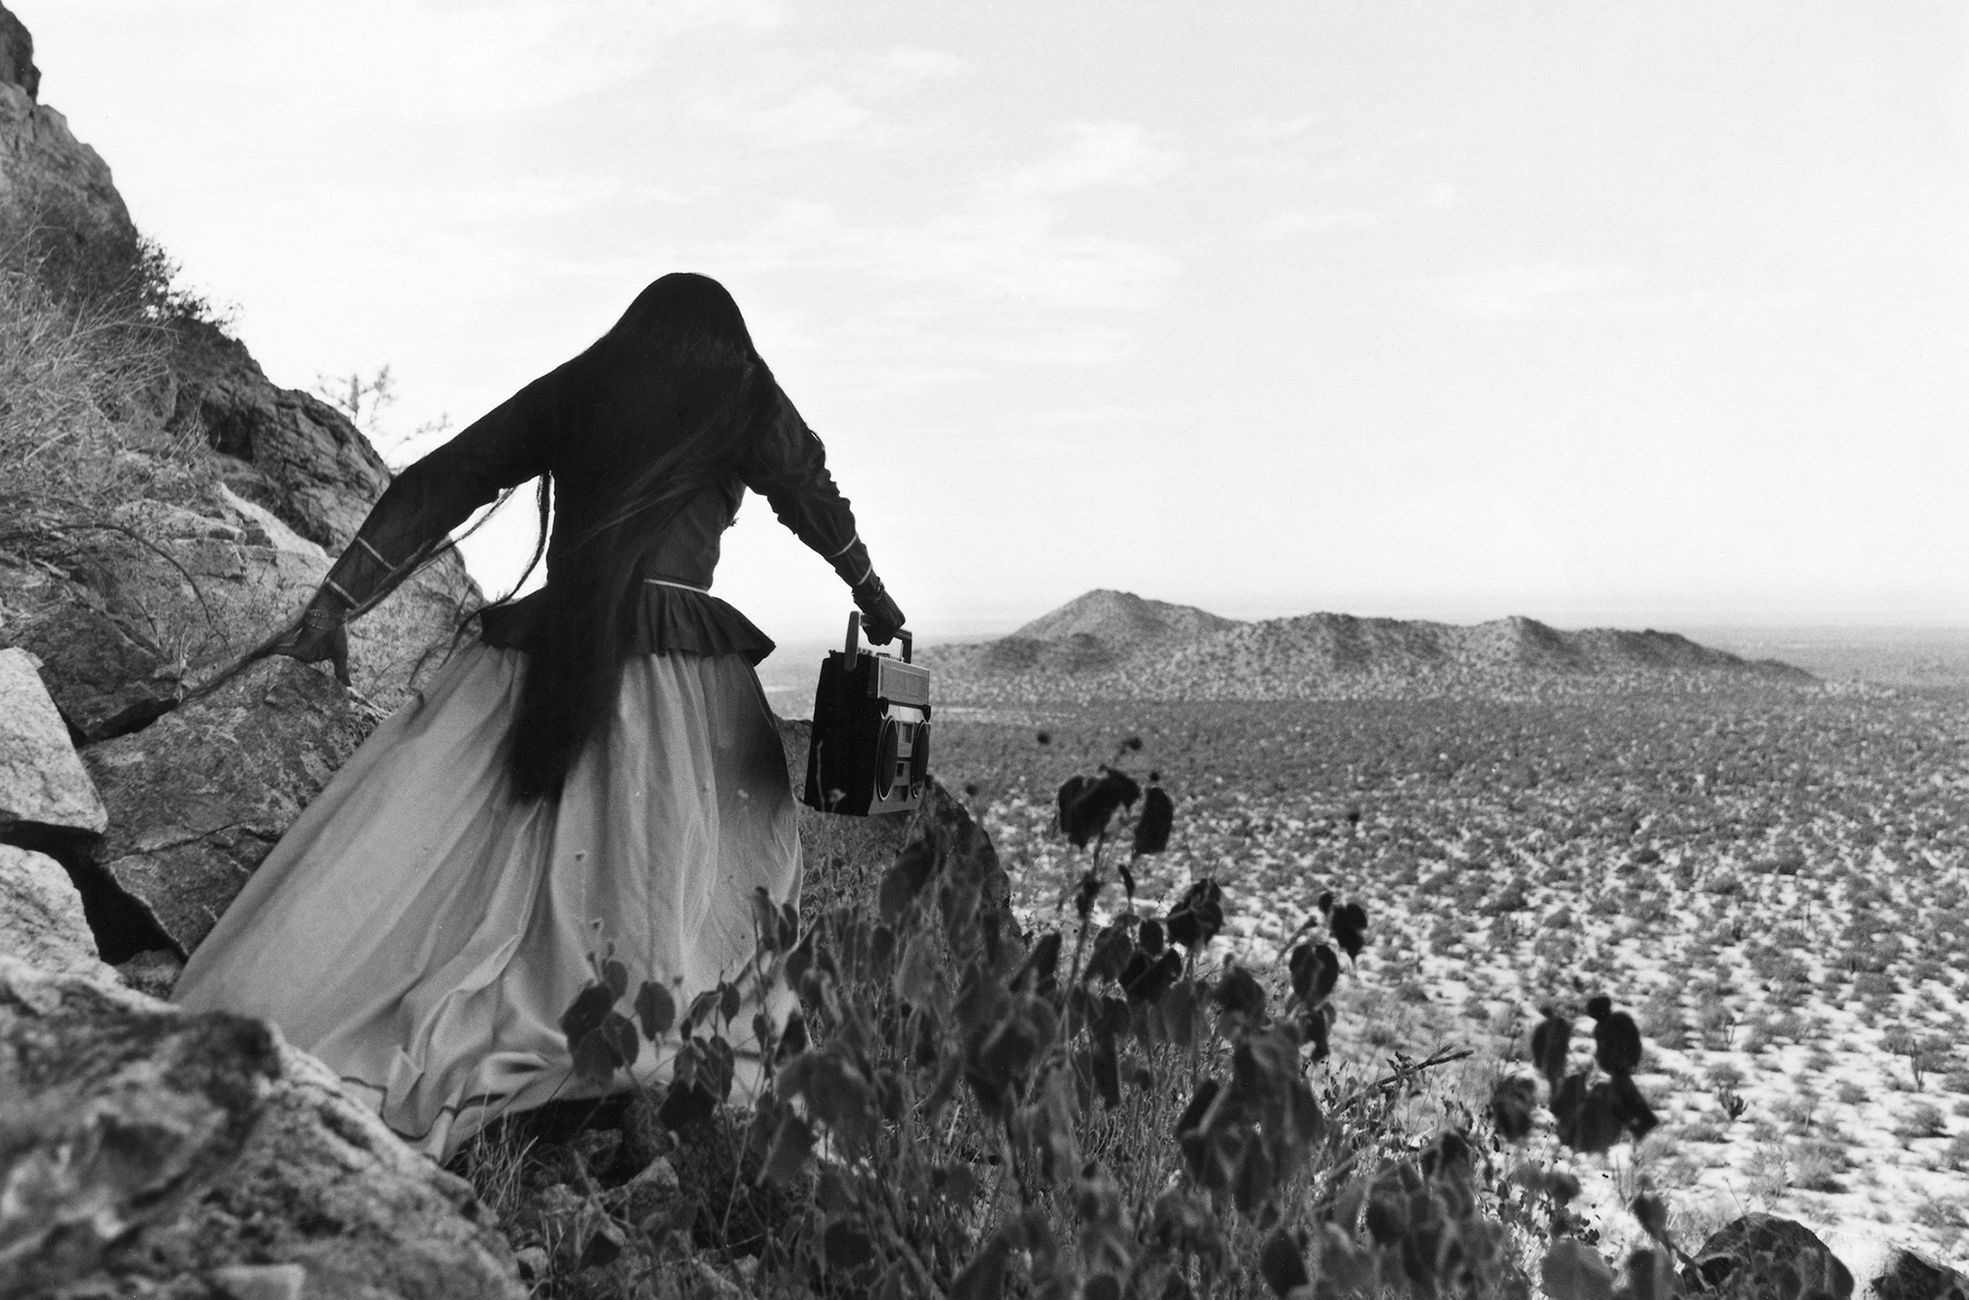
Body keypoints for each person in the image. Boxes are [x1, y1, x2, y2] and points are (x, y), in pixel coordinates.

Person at [171, 272, 905, 1160]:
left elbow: (450, 477)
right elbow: (809, 493)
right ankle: (638, 1033)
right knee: (707, 858)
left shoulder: (585, 382)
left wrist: (337, 601)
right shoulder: (741, 389)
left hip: (542, 653)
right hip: (679, 671)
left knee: (460, 846)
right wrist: (872, 595)